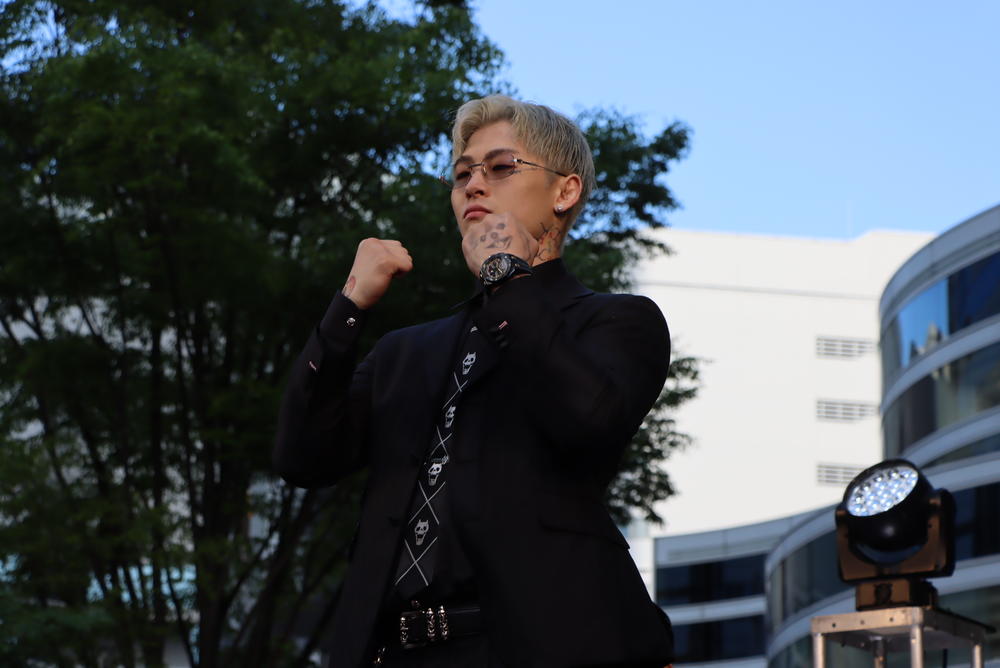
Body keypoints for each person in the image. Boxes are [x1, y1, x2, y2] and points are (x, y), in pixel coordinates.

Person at [273, 95, 675, 668]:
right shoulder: (404, 352)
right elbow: (302, 458)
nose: (473, 185)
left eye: (501, 167)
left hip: (540, 643)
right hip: (393, 650)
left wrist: (505, 275)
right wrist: (348, 307)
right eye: (462, 174)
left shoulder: (617, 320)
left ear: (565, 192)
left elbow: (590, 420)